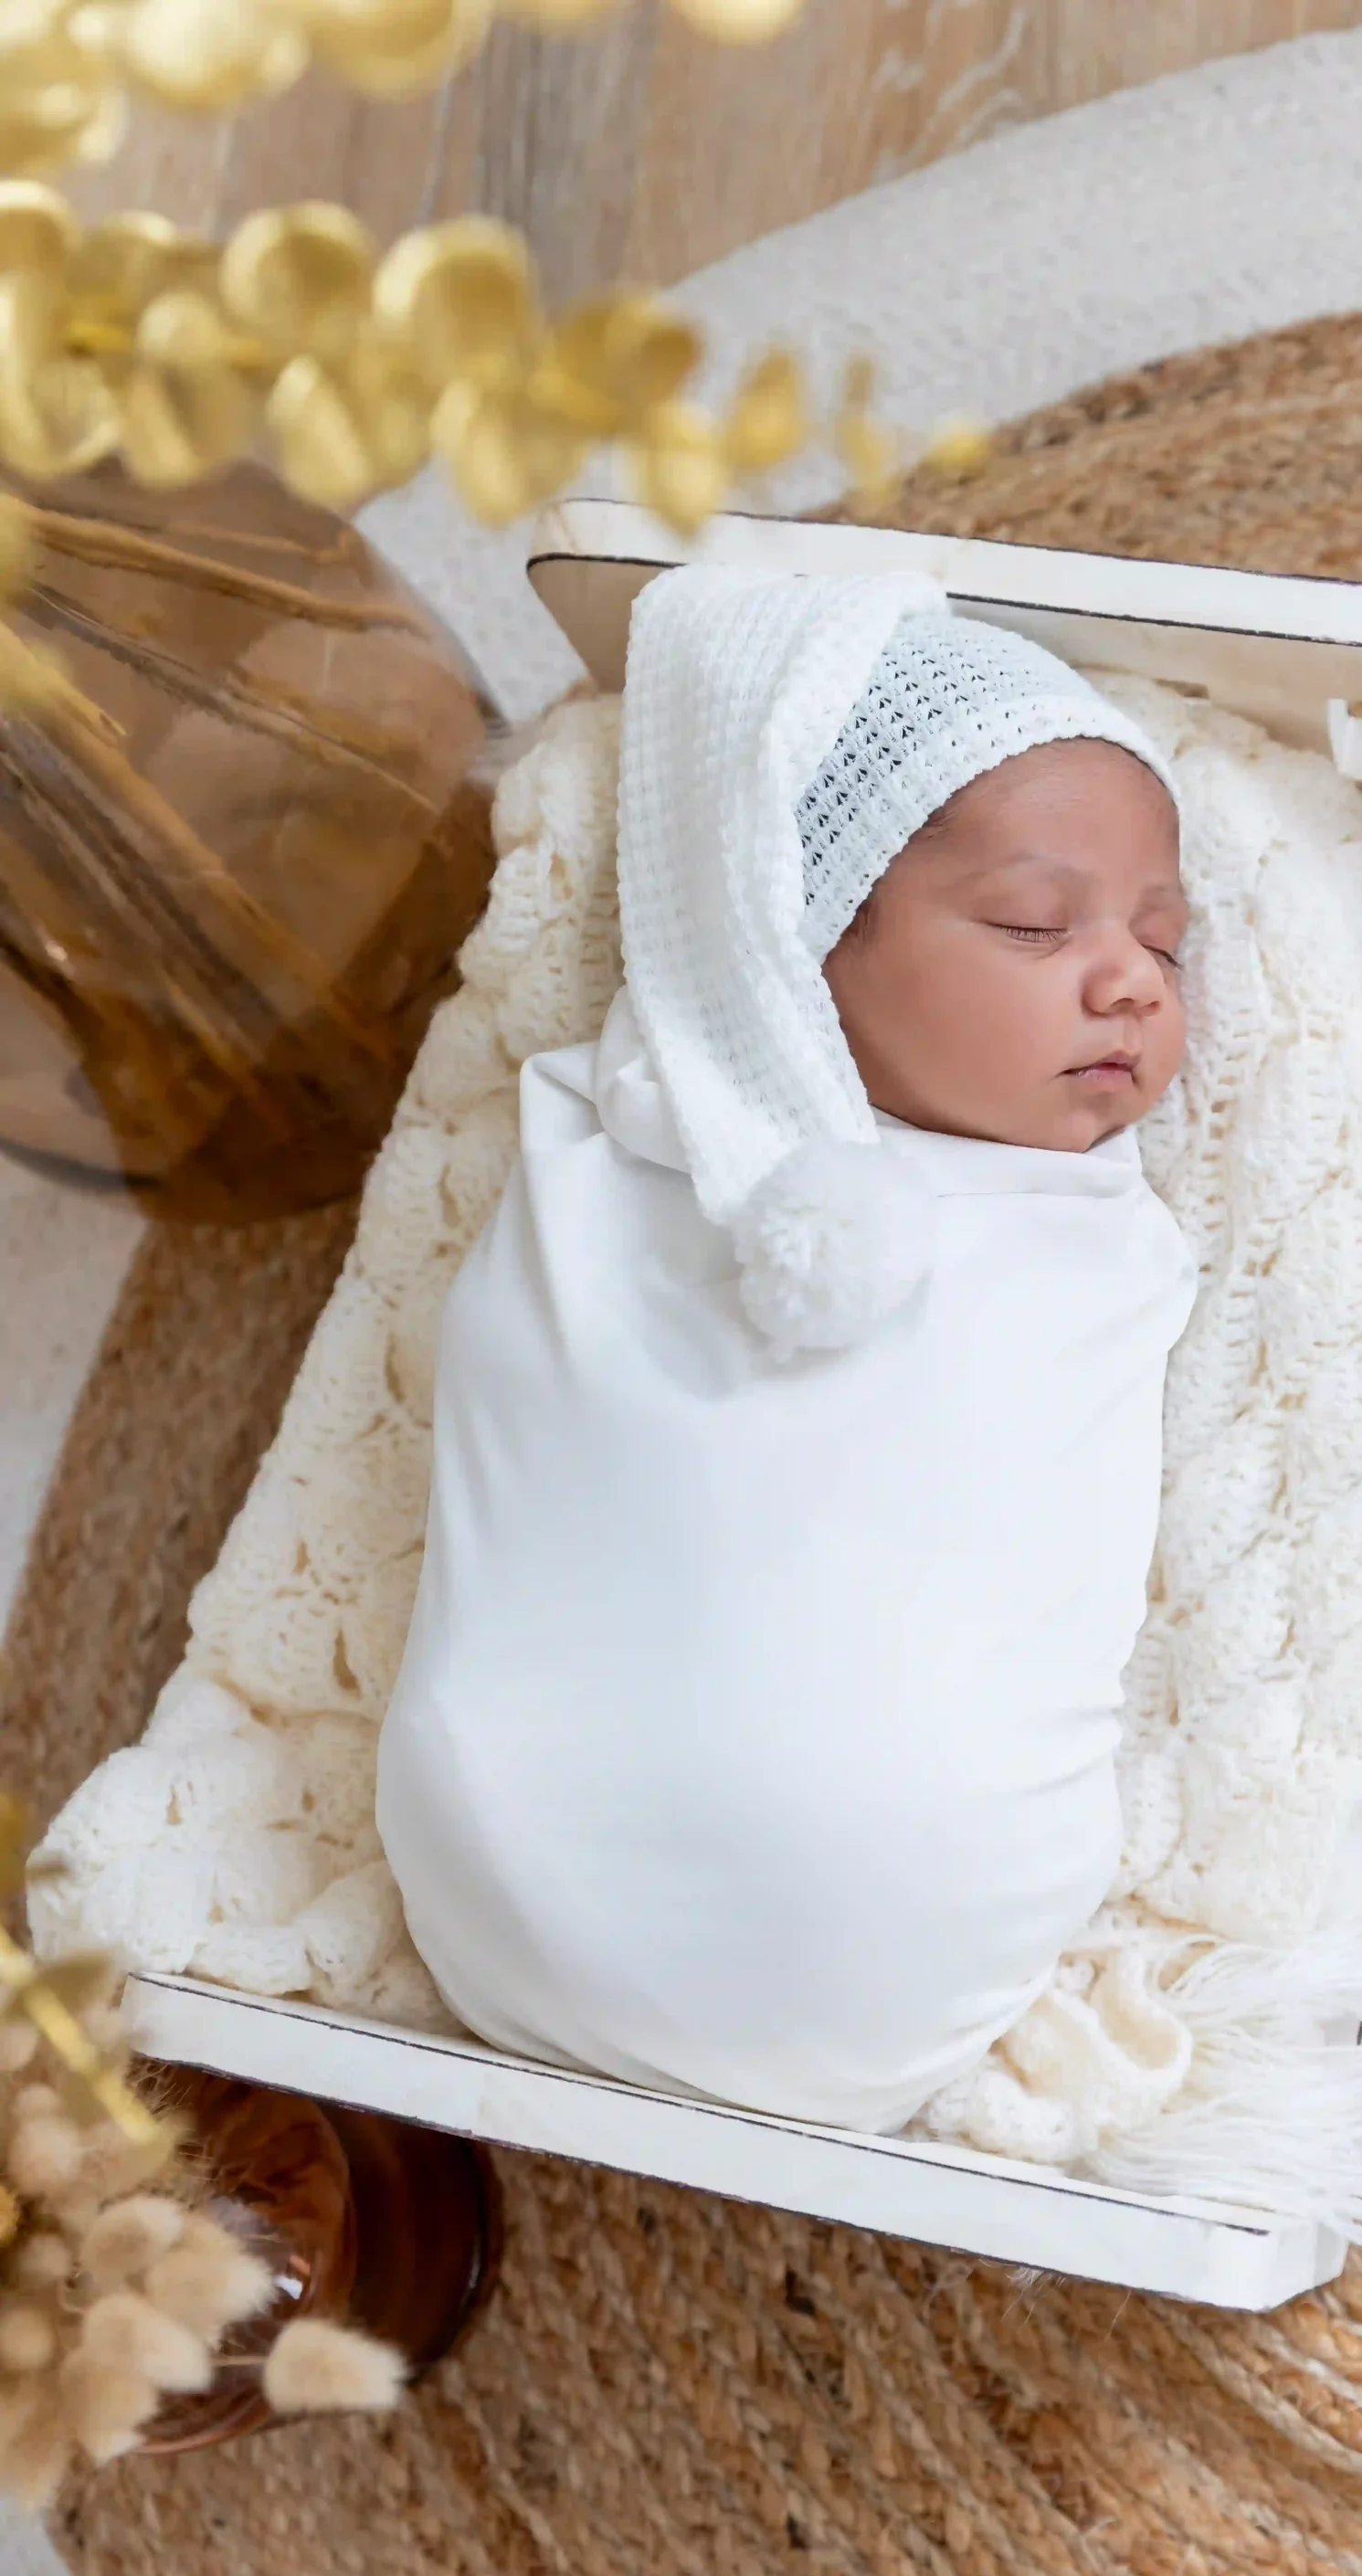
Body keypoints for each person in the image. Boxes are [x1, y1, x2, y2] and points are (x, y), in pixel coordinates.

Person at [376, 565, 1200, 2132]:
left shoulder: (1078, 1226)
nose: (1131, 982)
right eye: (1036, 924)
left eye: (1166, 944)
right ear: (797, 939)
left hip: (877, 1925)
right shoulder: (613, 1150)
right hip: (502, 1851)